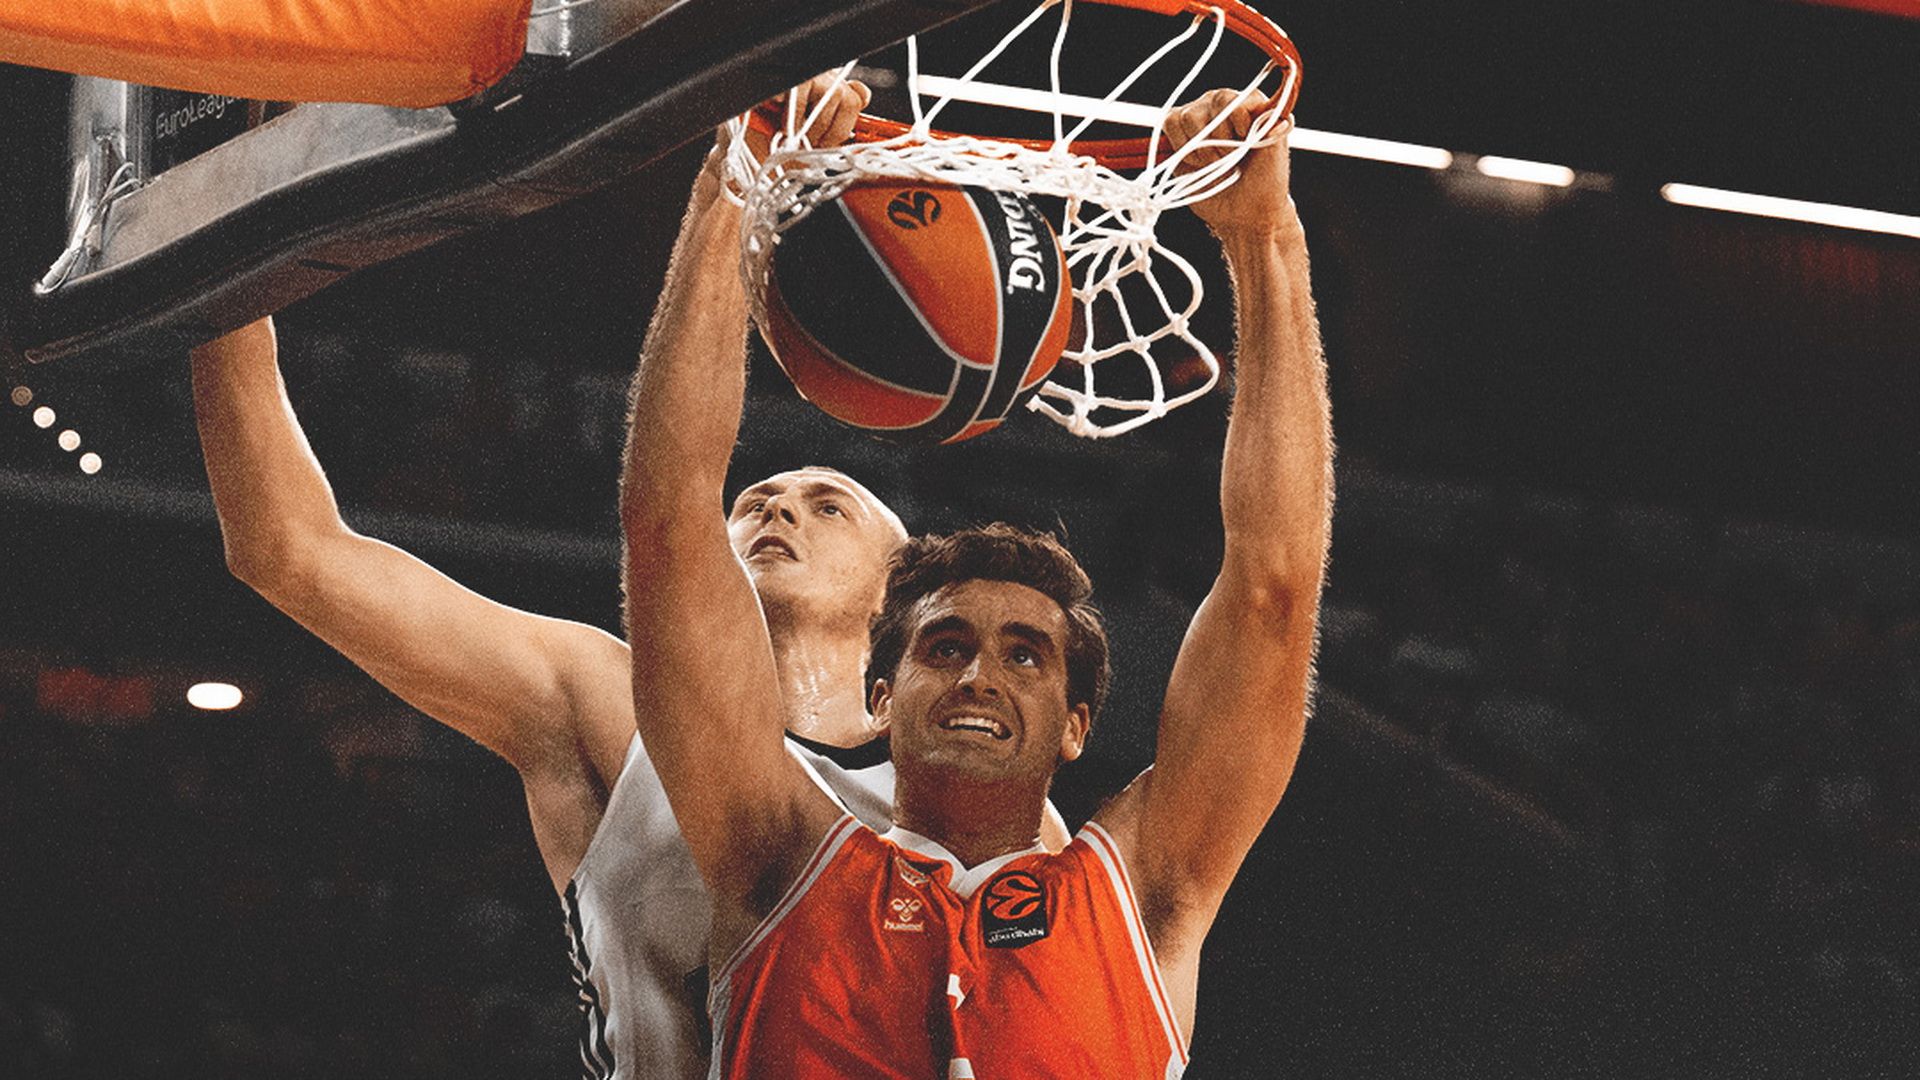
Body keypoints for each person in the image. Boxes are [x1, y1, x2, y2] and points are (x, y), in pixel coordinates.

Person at [190, 74, 1071, 1080]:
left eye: (828, 505)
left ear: (894, 598)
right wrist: (228, 245)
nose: (778, 510)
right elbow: (288, 549)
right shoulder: (605, 702)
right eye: (755, 503)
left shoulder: (975, 787)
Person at [621, 84, 1332, 1077]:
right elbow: (669, 527)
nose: (978, 676)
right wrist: (731, 187)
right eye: (944, 645)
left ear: (1077, 726)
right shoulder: (775, 853)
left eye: (1025, 655)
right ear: (881, 697)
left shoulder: (1146, 895)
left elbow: (1273, 590)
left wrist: (1266, 243)